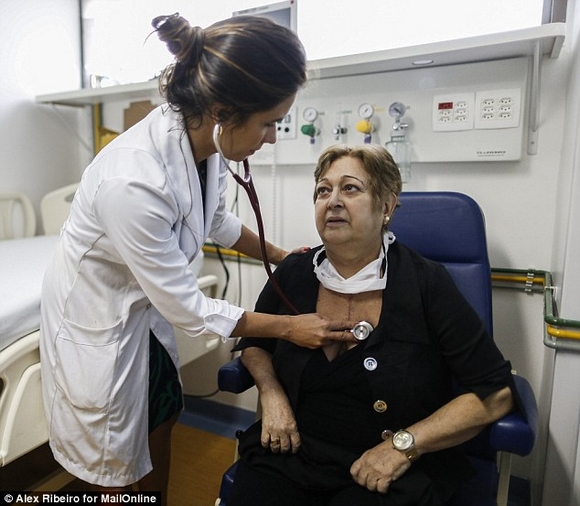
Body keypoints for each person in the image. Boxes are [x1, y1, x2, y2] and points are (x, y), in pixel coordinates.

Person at [39, 14, 357, 500]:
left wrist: (279, 254)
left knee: (162, 413)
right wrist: (291, 327)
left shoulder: (203, 144)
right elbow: (189, 309)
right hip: (99, 322)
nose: (273, 136)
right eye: (269, 123)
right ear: (223, 111)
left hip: (143, 316)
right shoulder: (132, 181)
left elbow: (216, 220)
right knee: (110, 464)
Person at [227, 144, 517, 506]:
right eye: (323, 190)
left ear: (386, 206)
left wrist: (404, 446)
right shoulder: (294, 272)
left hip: (389, 467)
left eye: (350, 188)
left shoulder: (426, 283)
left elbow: (496, 392)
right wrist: (271, 395)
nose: (333, 201)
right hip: (292, 451)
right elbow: (255, 343)